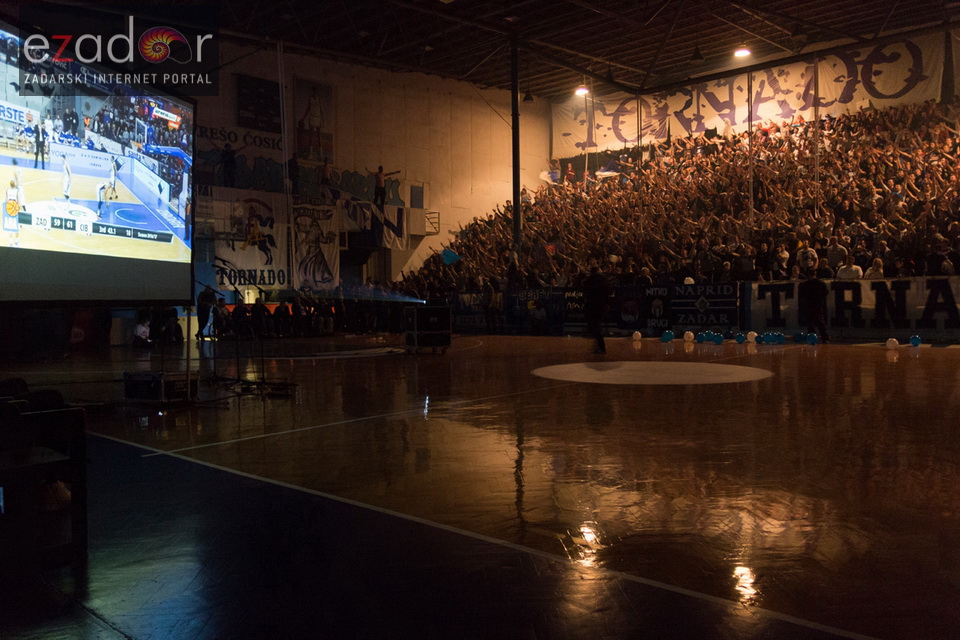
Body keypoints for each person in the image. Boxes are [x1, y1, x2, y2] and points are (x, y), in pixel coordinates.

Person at [583, 266, 610, 354]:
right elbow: (607, 291)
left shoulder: (589, 280)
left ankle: (601, 346)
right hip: (601, 305)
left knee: (595, 325)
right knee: (597, 324)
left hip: (592, 305)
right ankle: (600, 345)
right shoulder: (604, 279)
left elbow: (585, 291)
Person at [797, 268, 829, 342]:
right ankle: (824, 337)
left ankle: (812, 337)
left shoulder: (804, 284)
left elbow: (801, 294)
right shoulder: (820, 283)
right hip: (817, 304)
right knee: (820, 321)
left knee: (810, 322)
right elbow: (825, 292)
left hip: (808, 304)